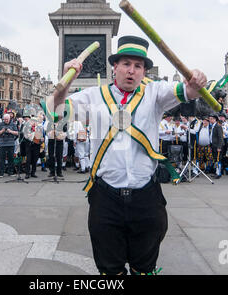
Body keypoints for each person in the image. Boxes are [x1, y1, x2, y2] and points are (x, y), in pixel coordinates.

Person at [45, 35, 207, 275]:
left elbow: (189, 90)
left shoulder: (155, 93)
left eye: (138, 66)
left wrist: (196, 79)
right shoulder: (93, 96)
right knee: (110, 270)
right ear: (115, 67)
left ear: (144, 71)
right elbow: (55, 113)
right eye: (126, 64)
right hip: (105, 197)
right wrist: (65, 81)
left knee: (144, 268)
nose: (131, 71)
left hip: (146, 197)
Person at [209, 115, 224, 179]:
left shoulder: (218, 126)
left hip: (218, 146)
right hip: (214, 145)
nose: (210, 120)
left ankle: (218, 173)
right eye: (210, 119)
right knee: (215, 159)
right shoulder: (213, 126)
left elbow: (221, 137)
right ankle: (216, 172)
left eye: (211, 119)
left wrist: (219, 147)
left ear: (215, 119)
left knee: (218, 159)